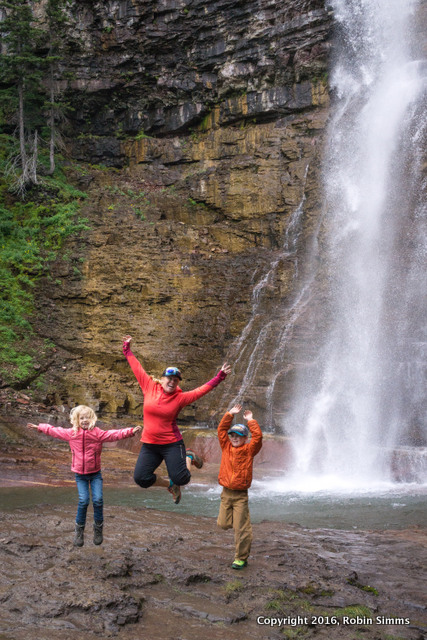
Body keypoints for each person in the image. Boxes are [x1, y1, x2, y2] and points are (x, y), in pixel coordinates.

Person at [122, 335, 231, 504]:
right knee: (141, 478)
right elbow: (137, 368)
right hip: (150, 445)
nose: (172, 382)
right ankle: (170, 486)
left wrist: (220, 377)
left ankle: (188, 456)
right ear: (163, 378)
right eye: (169, 378)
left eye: (175, 380)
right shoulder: (149, 386)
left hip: (171, 443)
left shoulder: (180, 398)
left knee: (183, 479)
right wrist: (127, 349)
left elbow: (202, 390)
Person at [27, 405, 141, 547]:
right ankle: (79, 531)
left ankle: (98, 529)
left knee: (98, 500)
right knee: (84, 501)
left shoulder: (97, 433)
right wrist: (40, 427)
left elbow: (114, 434)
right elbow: (55, 431)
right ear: (76, 420)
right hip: (80, 475)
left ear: (92, 419)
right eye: (82, 418)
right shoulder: (72, 433)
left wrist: (130, 431)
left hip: (95, 474)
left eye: (87, 417)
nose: (85, 420)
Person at [216, 403, 262, 569]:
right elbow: (221, 430)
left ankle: (241, 558)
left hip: (241, 495)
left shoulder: (249, 450)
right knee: (222, 524)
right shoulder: (226, 447)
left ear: (245, 438)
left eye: (239, 435)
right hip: (226, 493)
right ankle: (239, 525)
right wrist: (229, 414)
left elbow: (258, 438)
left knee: (241, 529)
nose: (234, 438)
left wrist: (250, 420)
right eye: (233, 435)